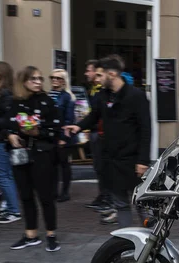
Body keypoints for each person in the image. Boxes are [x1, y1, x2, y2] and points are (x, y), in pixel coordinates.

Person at [64, 55, 152, 228]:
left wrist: (143, 161)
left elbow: (146, 129)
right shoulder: (103, 95)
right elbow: (94, 116)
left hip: (132, 160)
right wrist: (78, 127)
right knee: (121, 204)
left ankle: (152, 243)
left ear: (111, 74)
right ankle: (126, 243)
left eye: (99, 75)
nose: (97, 79)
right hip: (111, 159)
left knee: (141, 203)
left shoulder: (136, 96)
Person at [7, 66, 61, 251]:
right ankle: (30, 234)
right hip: (20, 155)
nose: (38, 82)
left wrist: (38, 132)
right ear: (24, 81)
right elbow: (8, 124)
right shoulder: (15, 102)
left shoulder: (47, 101)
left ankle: (51, 233)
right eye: (33, 79)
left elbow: (56, 129)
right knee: (26, 195)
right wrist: (11, 135)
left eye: (40, 78)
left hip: (42, 154)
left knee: (45, 196)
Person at [0, 61, 21, 224]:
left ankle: (13, 210)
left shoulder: (5, 94)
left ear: (1, 73)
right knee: (3, 175)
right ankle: (9, 208)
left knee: (2, 176)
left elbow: (7, 117)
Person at [83, 59, 108, 211]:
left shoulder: (101, 91)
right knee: (98, 167)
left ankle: (107, 199)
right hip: (94, 131)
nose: (87, 73)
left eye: (89, 70)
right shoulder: (92, 89)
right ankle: (103, 196)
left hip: (100, 133)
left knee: (103, 167)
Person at [48, 69, 76, 203]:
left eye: (58, 78)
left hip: (62, 136)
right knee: (52, 165)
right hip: (50, 135)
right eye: (52, 77)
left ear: (64, 81)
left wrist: (64, 138)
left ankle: (65, 192)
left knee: (64, 165)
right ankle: (53, 191)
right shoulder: (48, 95)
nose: (54, 80)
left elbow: (69, 119)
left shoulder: (67, 96)